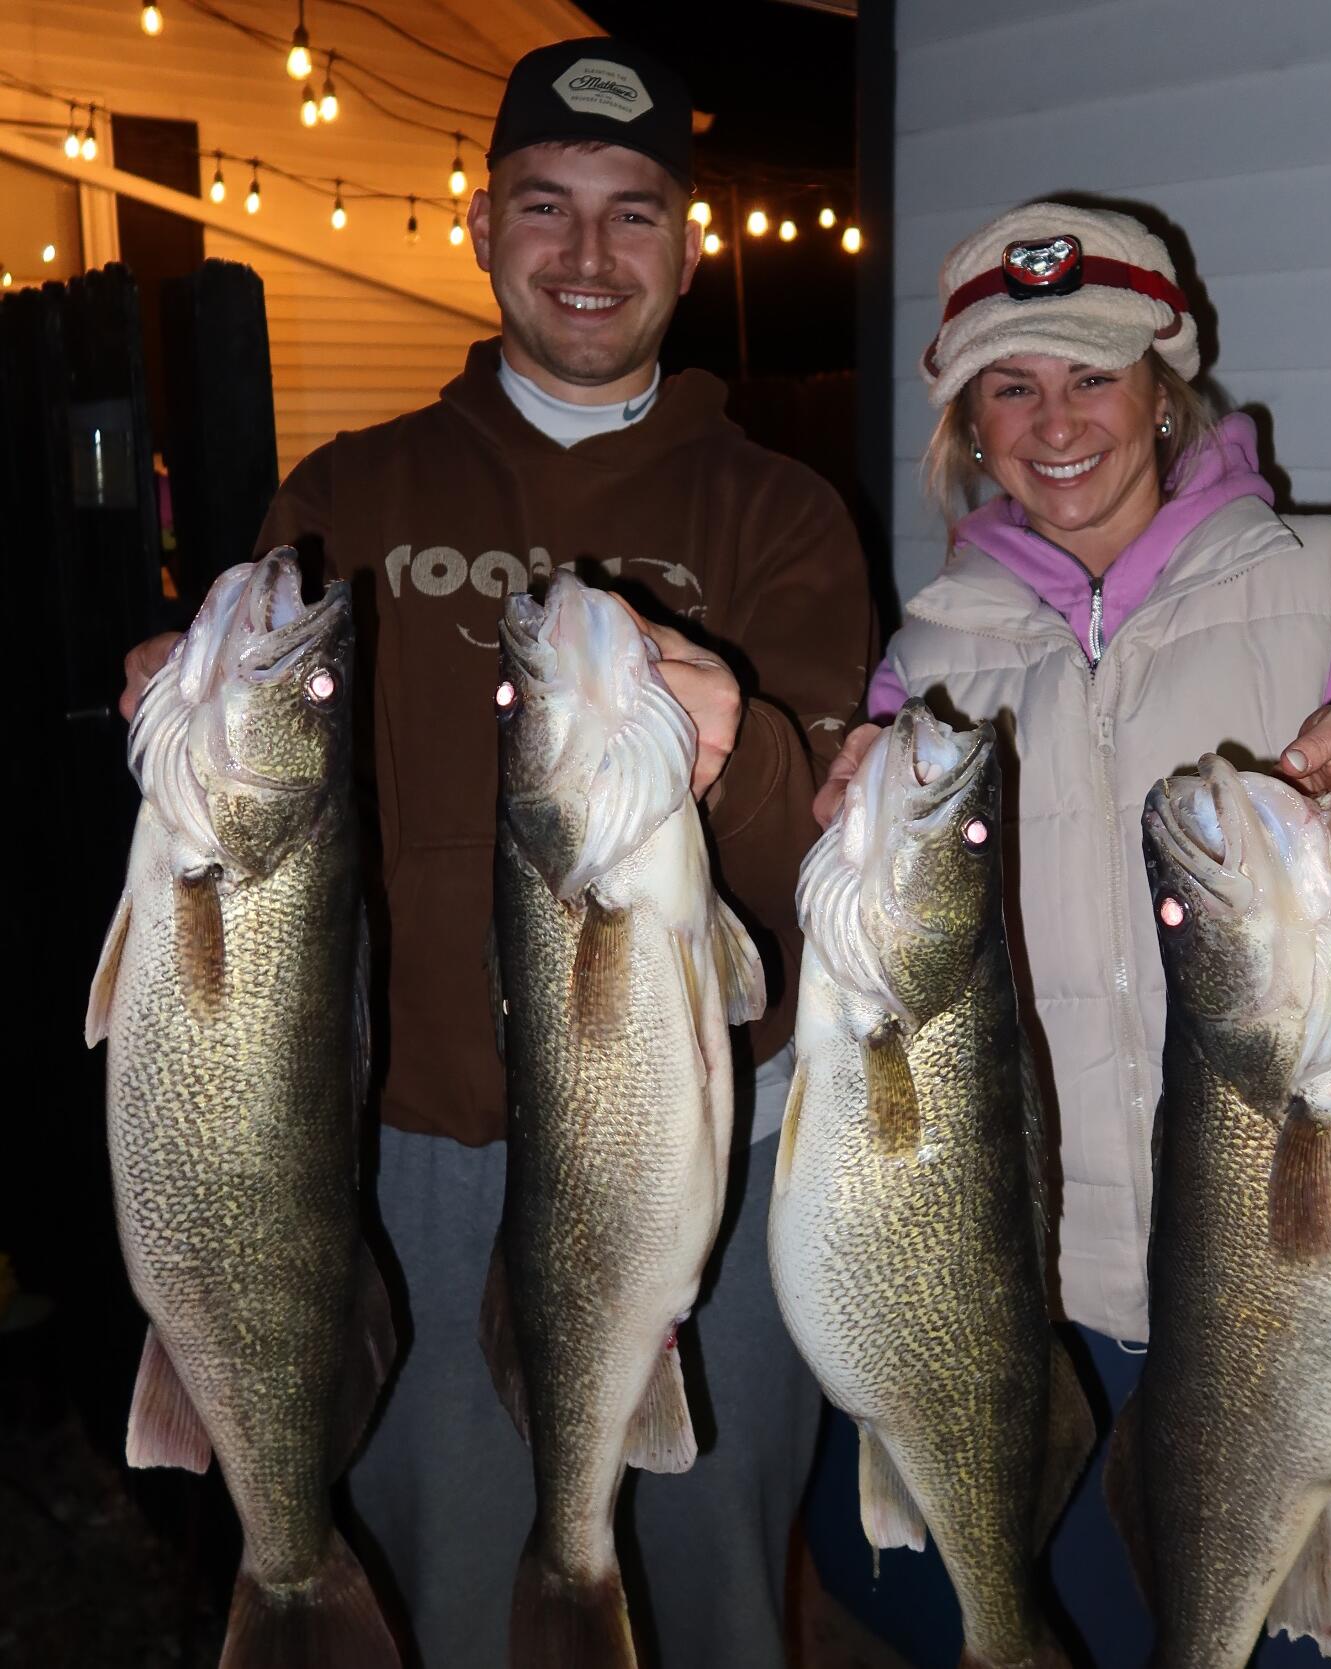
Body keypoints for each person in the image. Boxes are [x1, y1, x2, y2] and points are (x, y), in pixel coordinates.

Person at [119, 37, 873, 1669]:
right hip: (405, 1161)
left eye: (630, 215)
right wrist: (165, 718)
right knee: (448, 1586)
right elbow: (251, 820)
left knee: (709, 1587)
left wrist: (738, 747)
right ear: (481, 227)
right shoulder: (346, 495)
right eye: (546, 207)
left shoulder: (781, 514)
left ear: (686, 246)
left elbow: (827, 856)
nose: (586, 257)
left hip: (690, 1155)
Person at [805, 201, 1331, 1667]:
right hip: (1048, 1290)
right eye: (1009, 385)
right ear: (967, 424)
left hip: (1307, 1280)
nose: (1055, 422)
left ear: (1164, 388)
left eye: (1090, 374)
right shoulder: (925, 655)